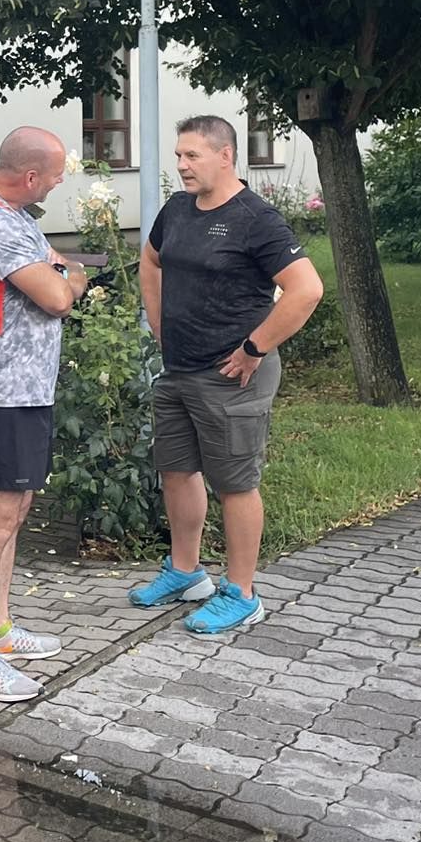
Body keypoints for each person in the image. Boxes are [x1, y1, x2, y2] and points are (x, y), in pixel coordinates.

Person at [129, 115, 323, 635]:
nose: (181, 164)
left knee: (235, 484)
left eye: (191, 155)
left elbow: (307, 290)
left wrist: (257, 345)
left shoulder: (256, 220)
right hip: (179, 369)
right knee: (176, 471)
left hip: (231, 374)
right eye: (179, 155)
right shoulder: (177, 209)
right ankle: (186, 573)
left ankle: (241, 592)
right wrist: (158, 321)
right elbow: (150, 260)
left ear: (225, 156)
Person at [0, 128, 88, 702]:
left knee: (16, 510)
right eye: (54, 176)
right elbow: (56, 294)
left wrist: (59, 271)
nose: (57, 184)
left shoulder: (13, 214)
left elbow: (51, 268)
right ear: (30, 176)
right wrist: (71, 278)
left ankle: (1, 629)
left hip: (24, 390)